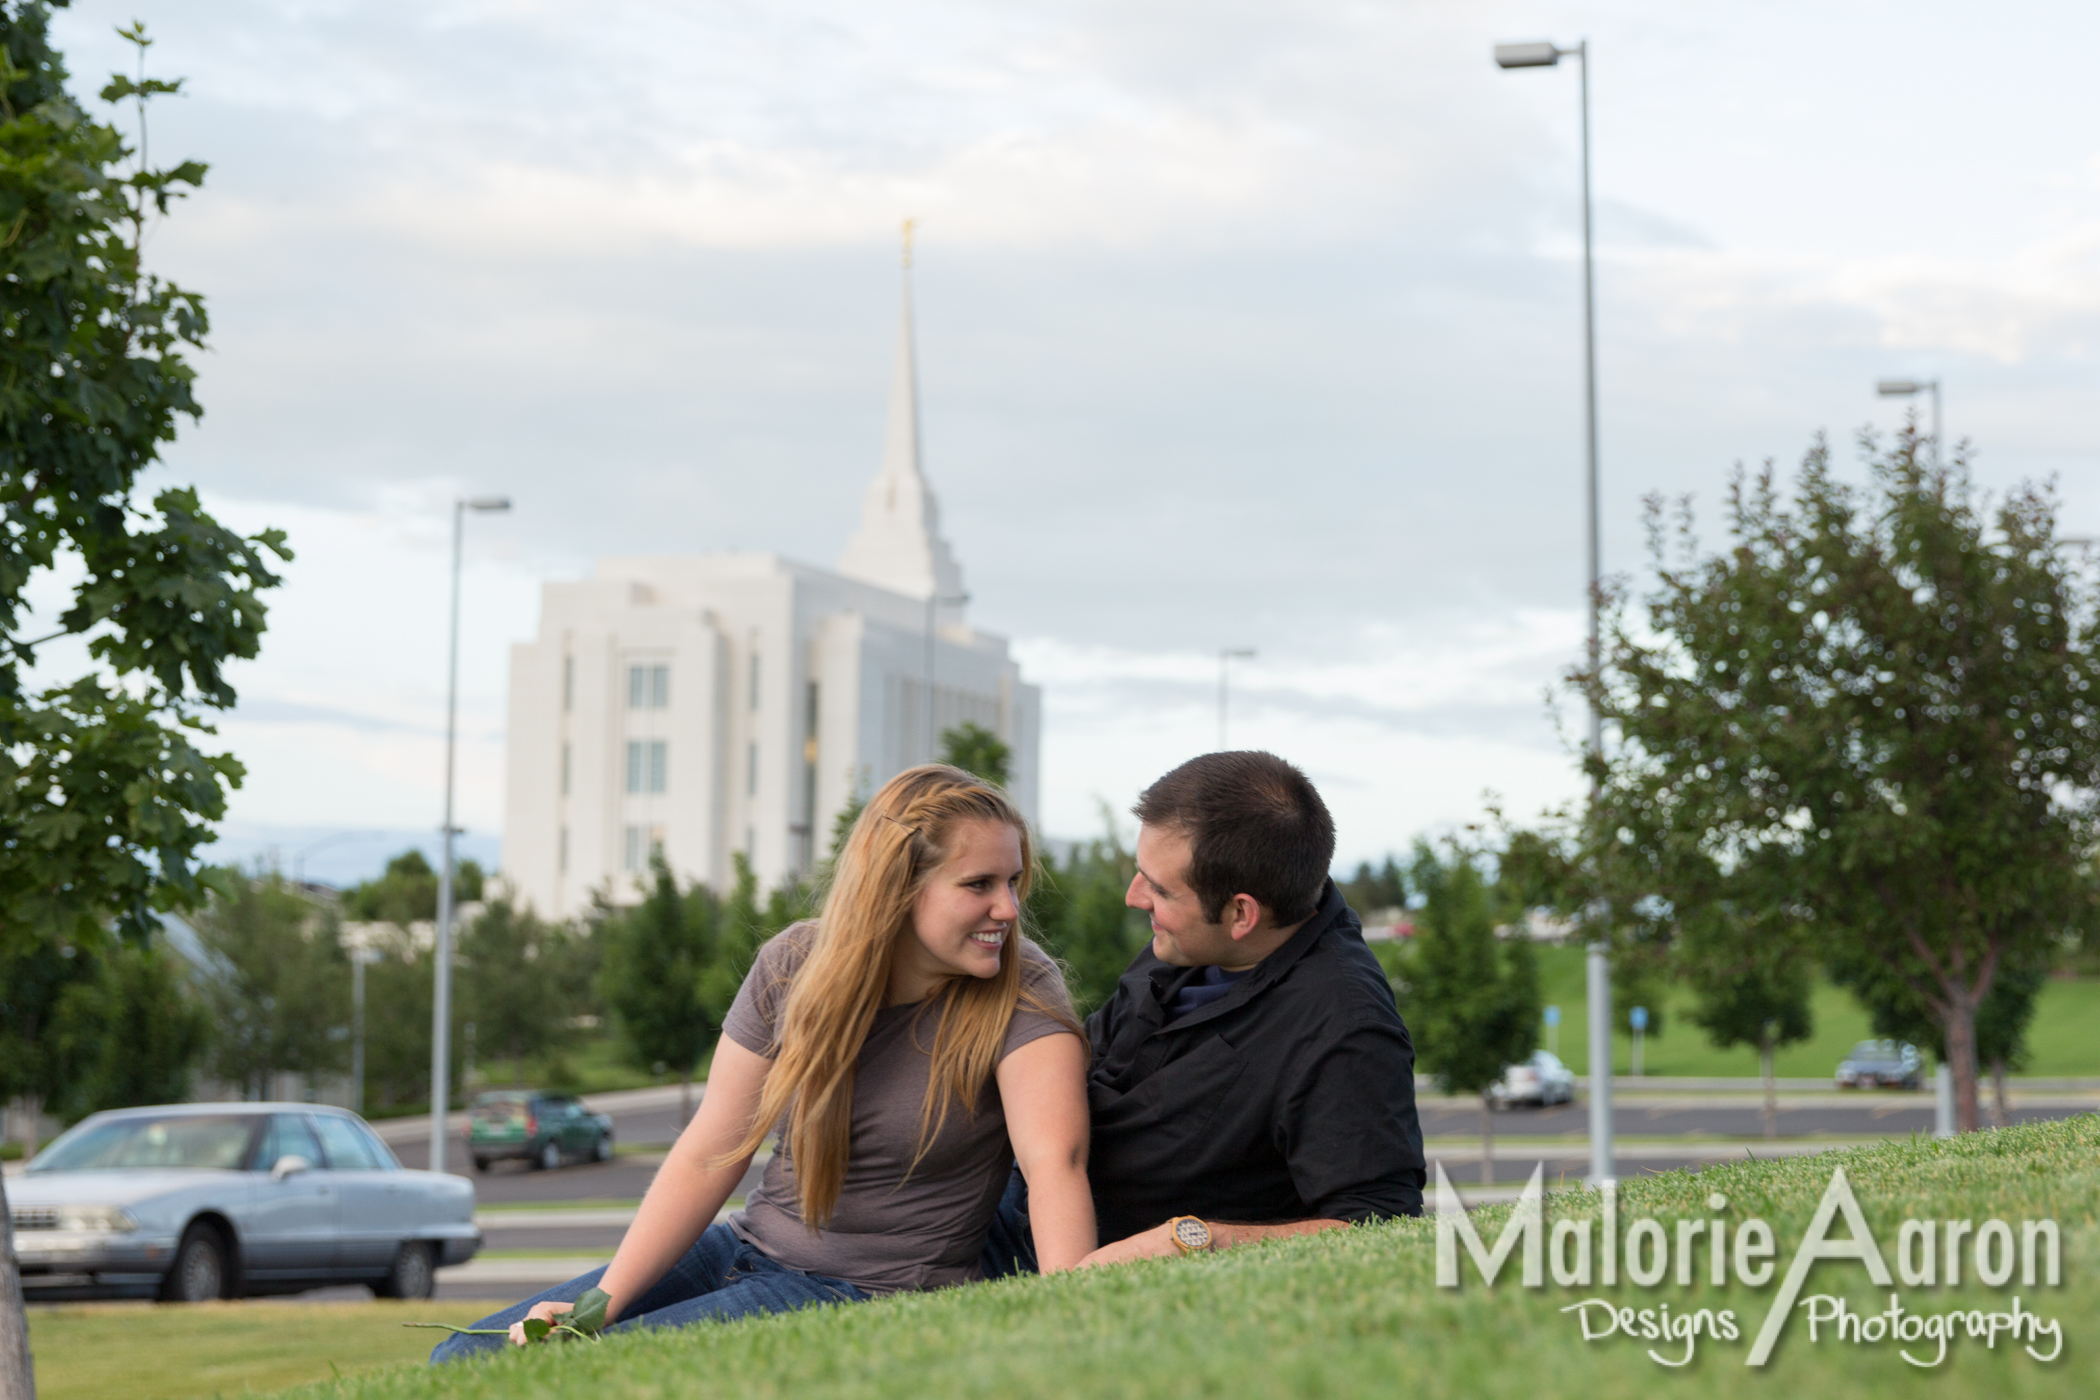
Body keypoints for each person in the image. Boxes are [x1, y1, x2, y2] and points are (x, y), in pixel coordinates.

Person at [432, 765, 1092, 1361]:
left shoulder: (1021, 987)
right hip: (745, 1249)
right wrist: (601, 1304)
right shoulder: (793, 966)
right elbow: (707, 1152)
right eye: (979, 884)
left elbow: (1052, 1165)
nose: (1008, 909)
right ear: (899, 887)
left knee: (583, 1373)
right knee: (464, 1359)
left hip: (863, 1293)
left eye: (1012, 881)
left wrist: (1067, 1322)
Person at [985, 750, 1425, 1275]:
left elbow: (1379, 1224)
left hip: (1061, 1257)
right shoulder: (1192, 943)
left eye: (1160, 888)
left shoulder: (1343, 1025)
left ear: (1242, 913)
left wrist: (1195, 1239)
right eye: (1140, 873)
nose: (1133, 896)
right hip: (1008, 1204)